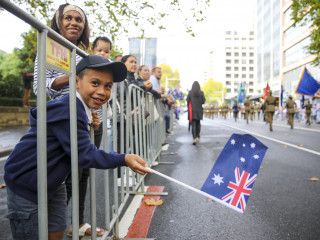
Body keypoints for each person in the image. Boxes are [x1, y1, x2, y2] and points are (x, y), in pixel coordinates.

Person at [5, 55, 152, 240]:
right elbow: (85, 155)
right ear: (76, 81)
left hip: (53, 183)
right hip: (26, 184)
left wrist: (89, 122)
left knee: (57, 229)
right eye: (95, 83)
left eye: (107, 86)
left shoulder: (81, 108)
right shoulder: (69, 108)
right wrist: (124, 158)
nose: (102, 91)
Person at [32, 4, 103, 237]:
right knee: (62, 178)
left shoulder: (84, 53)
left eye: (79, 20)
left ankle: (78, 222)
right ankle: (50, 227)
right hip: (62, 122)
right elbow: (40, 87)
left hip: (88, 121)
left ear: (84, 27)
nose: (74, 22)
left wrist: (95, 112)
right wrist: (73, 77)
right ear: (58, 21)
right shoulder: (48, 46)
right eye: (68, 18)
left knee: (83, 174)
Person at [187, 81, 206, 145]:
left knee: (193, 125)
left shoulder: (190, 92)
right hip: (199, 110)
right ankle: (197, 135)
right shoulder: (201, 93)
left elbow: (187, 101)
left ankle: (194, 138)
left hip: (192, 111)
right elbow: (203, 101)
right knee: (198, 124)